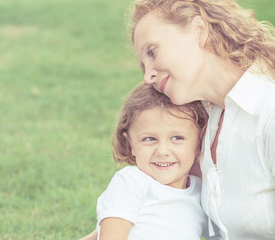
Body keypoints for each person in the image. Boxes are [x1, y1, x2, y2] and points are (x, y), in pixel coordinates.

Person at [80, 0, 275, 239]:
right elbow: (150, 214)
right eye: (143, 65)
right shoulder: (200, 119)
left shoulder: (268, 112)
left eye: (152, 52)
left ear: (198, 31)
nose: (147, 76)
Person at [96, 83, 209, 240]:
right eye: (149, 139)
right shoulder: (131, 182)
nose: (162, 151)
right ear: (130, 144)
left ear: (199, 143)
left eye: (177, 138)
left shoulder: (201, 191)